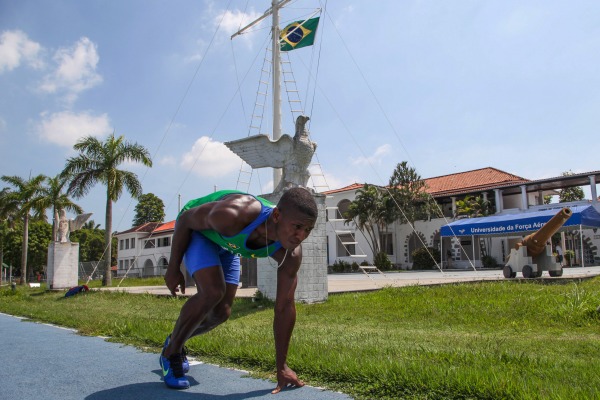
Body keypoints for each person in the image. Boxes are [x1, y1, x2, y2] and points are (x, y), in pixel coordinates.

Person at [160, 187, 318, 393]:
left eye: (308, 230)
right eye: (297, 226)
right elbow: (186, 220)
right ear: (277, 215)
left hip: (227, 244)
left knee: (222, 313)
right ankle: (170, 355)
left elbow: (284, 307)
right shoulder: (234, 214)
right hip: (198, 231)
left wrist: (282, 367)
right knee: (213, 291)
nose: (301, 236)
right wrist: (173, 269)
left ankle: (174, 341)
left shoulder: (291, 254)